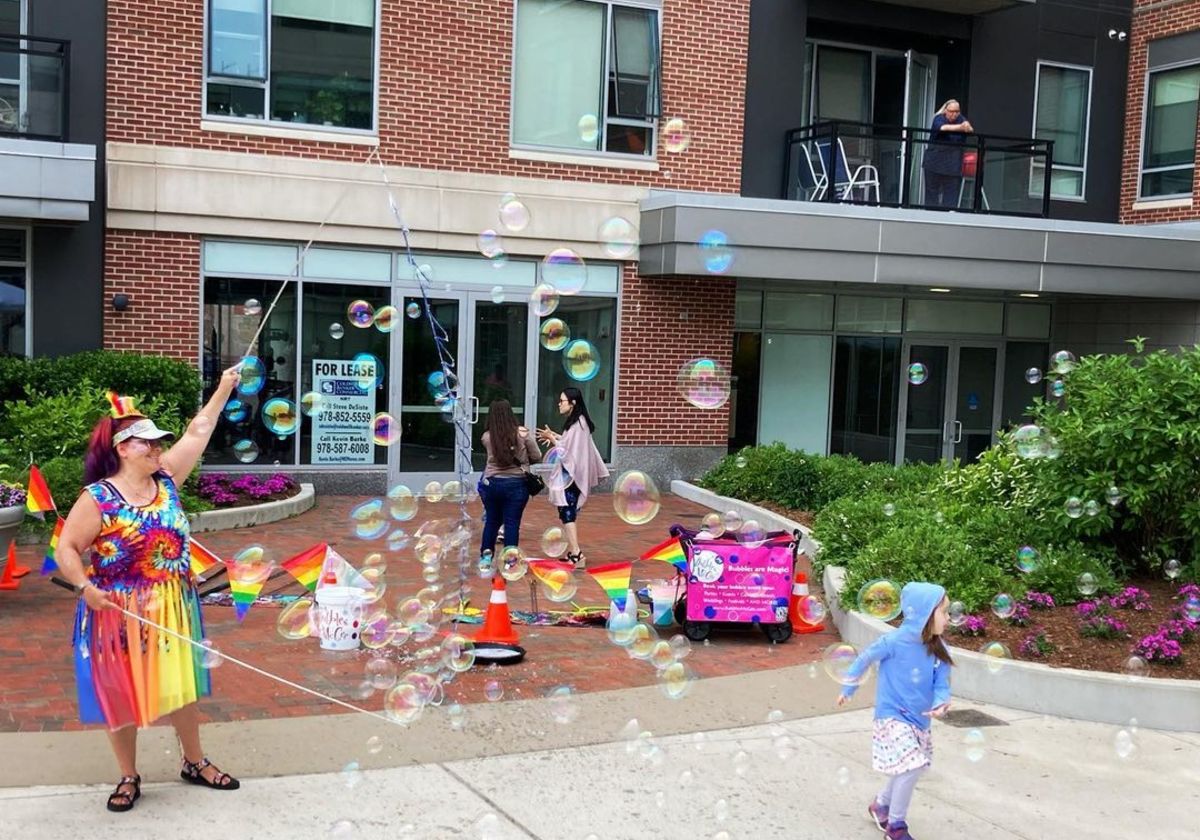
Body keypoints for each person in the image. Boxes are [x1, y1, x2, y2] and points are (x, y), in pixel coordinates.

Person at [56, 367, 244, 812]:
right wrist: (84, 586)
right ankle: (128, 775)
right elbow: (67, 547)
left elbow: (199, 430)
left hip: (173, 604)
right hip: (115, 611)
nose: (158, 448)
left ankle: (194, 762)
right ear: (122, 449)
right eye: (148, 442)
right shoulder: (98, 498)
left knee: (182, 687)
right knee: (119, 693)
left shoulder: (167, 481)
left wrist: (223, 389)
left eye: (159, 441)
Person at [836, 583, 952, 840]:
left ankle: (881, 805)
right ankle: (896, 826)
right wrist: (849, 687)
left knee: (909, 768)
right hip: (891, 716)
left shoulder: (939, 648)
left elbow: (942, 684)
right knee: (912, 766)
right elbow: (864, 658)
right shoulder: (894, 642)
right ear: (924, 614)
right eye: (943, 612)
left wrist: (941, 702)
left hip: (919, 721)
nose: (948, 618)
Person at [537, 387, 609, 568]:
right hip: (570, 475)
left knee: (568, 513)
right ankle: (574, 552)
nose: (559, 404)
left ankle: (577, 553)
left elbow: (567, 452)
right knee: (566, 513)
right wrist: (554, 436)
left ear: (573, 403)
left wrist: (553, 440)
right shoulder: (577, 423)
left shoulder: (579, 423)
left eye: (562, 401)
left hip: (572, 476)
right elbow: (569, 445)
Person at [478, 399, 542, 560]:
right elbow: (537, 456)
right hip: (517, 484)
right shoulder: (523, 434)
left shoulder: (486, 437)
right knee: (512, 523)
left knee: (492, 521)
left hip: (491, 483)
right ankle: (510, 562)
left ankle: (486, 559)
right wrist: (525, 461)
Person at [921, 100, 974, 209]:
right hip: (934, 163)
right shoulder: (939, 118)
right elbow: (942, 128)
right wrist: (961, 128)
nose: (954, 114)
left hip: (953, 164)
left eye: (957, 111)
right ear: (946, 110)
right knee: (932, 195)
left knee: (951, 197)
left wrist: (966, 126)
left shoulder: (960, 118)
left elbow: (970, 129)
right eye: (951, 111)